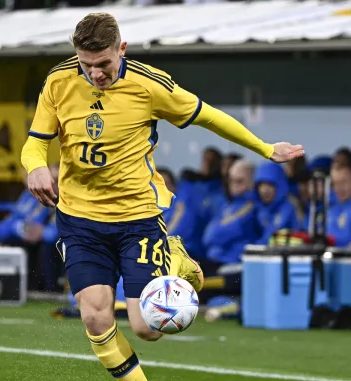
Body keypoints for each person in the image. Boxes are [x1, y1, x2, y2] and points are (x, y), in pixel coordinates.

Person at [20, 12, 304, 380]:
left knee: (147, 328)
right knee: (94, 315)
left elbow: (209, 117)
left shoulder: (149, 85)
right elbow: (34, 144)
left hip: (136, 216)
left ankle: (176, 258)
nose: (96, 74)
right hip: (79, 219)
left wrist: (265, 149)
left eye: (104, 64)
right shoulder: (59, 81)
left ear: (121, 49)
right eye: (87, 65)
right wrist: (36, 166)